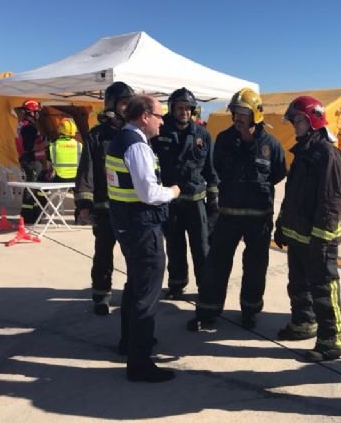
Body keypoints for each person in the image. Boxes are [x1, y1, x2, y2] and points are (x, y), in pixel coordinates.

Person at [187, 88, 286, 331]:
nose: (238, 117)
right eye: (235, 112)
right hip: (228, 216)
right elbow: (216, 168)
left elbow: (278, 173)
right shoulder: (223, 139)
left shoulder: (271, 144)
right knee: (216, 265)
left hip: (259, 218)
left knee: (255, 268)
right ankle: (208, 311)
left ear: (254, 114)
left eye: (243, 112)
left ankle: (250, 310)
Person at [106, 94, 180, 382]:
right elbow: (148, 193)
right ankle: (140, 362)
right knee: (146, 295)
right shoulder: (136, 145)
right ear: (145, 116)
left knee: (135, 285)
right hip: (141, 227)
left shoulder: (121, 139)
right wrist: (172, 192)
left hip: (127, 225)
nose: (163, 121)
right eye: (160, 115)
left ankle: (129, 343)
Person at [273, 96, 341, 362]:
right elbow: (292, 194)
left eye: (298, 120)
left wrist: (323, 238)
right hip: (299, 233)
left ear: (313, 119)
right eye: (293, 121)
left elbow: (331, 200)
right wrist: (282, 225)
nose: (294, 125)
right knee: (299, 284)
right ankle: (304, 323)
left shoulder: (327, 153)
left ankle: (332, 341)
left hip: (318, 237)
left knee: (324, 287)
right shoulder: (304, 149)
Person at [151, 88, 219, 299]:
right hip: (171, 202)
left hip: (197, 202)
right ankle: (176, 284)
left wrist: (214, 198)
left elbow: (211, 169)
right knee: (175, 246)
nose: (184, 112)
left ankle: (205, 287)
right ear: (171, 109)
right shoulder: (160, 133)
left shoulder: (202, 134)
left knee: (202, 248)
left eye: (188, 108)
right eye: (180, 108)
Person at [75, 81, 134, 315]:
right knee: (103, 255)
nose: (127, 107)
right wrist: (84, 203)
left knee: (133, 256)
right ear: (111, 105)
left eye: (130, 103)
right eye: (123, 103)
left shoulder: (135, 133)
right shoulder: (97, 136)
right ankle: (101, 296)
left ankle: (135, 294)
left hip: (130, 209)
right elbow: (87, 170)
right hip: (105, 208)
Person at [15, 100, 48, 223]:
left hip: (29, 160)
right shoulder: (29, 127)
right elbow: (28, 147)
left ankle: (33, 214)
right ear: (32, 112)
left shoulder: (24, 125)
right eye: (37, 112)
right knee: (32, 188)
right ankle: (29, 216)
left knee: (32, 187)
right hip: (32, 161)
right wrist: (43, 145)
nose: (38, 114)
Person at [49, 118, 82, 183]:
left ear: (60, 130)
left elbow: (49, 166)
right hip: (76, 178)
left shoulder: (53, 146)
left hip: (59, 178)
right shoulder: (79, 145)